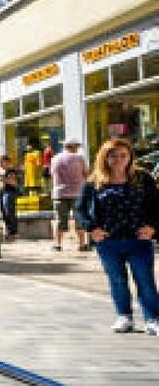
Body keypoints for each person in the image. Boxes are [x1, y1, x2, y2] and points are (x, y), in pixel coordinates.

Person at [75, 138, 159, 335]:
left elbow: (156, 206)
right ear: (105, 158)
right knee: (117, 280)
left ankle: (152, 319)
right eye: (113, 155)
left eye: (123, 155)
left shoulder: (142, 178)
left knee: (145, 280)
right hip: (108, 242)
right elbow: (79, 210)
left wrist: (153, 227)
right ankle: (124, 317)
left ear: (130, 157)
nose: (119, 159)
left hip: (138, 240)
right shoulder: (94, 181)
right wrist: (91, 228)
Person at [51, 138, 90, 252]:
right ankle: (82, 244)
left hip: (59, 193)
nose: (77, 149)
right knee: (79, 218)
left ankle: (58, 244)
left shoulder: (55, 159)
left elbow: (52, 174)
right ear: (72, 147)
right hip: (77, 192)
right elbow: (86, 174)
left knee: (60, 219)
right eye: (76, 146)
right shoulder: (79, 158)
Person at [0, 154, 21, 241]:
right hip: (2, 193)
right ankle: (8, 231)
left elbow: (14, 183)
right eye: (0, 163)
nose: (1, 165)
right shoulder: (4, 171)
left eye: (2, 163)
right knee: (4, 213)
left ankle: (13, 232)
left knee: (9, 212)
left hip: (9, 193)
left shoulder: (11, 171)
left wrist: (4, 179)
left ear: (6, 162)